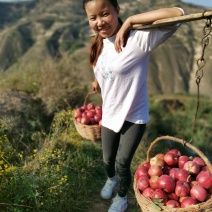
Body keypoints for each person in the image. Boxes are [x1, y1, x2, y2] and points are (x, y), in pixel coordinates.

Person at [82, 0, 184, 211]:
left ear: (117, 10)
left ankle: (121, 199)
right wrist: (97, 81)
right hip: (110, 113)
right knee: (108, 160)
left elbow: (177, 13)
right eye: (93, 18)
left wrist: (130, 21)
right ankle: (111, 180)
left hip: (134, 116)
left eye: (105, 14)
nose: (99, 22)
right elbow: (100, 66)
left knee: (121, 162)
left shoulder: (139, 38)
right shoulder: (98, 43)